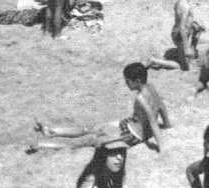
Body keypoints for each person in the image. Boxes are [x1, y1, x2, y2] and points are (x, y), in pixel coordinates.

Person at [31, 63, 169, 153]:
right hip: (129, 124)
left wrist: (162, 148)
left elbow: (152, 121)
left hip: (131, 136)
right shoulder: (151, 87)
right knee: (92, 129)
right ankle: (51, 132)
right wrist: (167, 124)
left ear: (137, 81)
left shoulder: (141, 98)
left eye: (128, 81)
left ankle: (43, 145)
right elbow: (161, 106)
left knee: (88, 140)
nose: (126, 84)